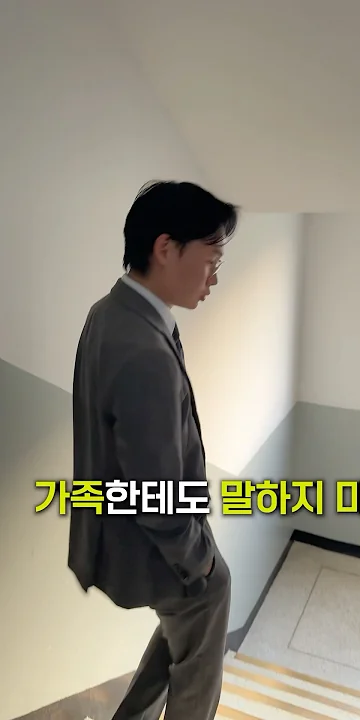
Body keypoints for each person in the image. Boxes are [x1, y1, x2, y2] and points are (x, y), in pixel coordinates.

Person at [68, 180, 239, 720]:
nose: (214, 277)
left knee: (186, 627)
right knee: (210, 595)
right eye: (211, 260)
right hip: (147, 543)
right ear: (166, 248)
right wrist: (198, 561)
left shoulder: (110, 311)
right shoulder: (144, 350)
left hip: (112, 528)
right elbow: (155, 495)